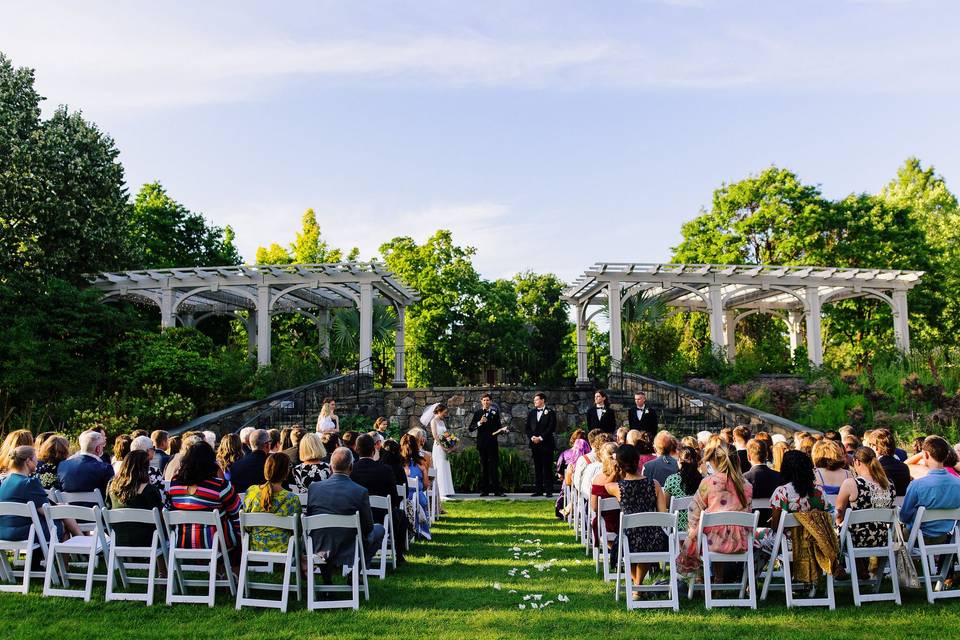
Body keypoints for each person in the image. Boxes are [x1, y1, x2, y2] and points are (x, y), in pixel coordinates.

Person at [306, 447, 384, 580]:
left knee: (326, 533)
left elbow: (310, 517)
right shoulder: (360, 491)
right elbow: (368, 527)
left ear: (330, 468)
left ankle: (327, 580)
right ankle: (356, 572)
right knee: (379, 529)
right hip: (350, 546)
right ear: (351, 468)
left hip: (319, 545)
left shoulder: (314, 488)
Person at [677, 441, 753, 575]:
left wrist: (693, 529)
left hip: (712, 541)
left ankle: (700, 577)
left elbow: (694, 509)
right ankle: (719, 578)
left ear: (715, 461)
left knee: (699, 532)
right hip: (740, 541)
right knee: (713, 529)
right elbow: (748, 513)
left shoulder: (709, 482)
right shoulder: (746, 485)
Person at [167, 441, 242, 566]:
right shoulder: (220, 486)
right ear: (211, 462)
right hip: (215, 542)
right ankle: (233, 572)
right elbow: (238, 513)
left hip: (182, 541)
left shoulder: (175, 484)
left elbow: (170, 509)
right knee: (237, 526)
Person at [605, 444, 668, 588]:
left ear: (620, 465)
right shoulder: (655, 484)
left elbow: (606, 484)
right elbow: (663, 515)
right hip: (654, 539)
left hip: (629, 539)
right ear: (638, 461)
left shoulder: (618, 488)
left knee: (627, 543)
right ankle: (638, 587)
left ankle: (637, 586)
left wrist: (615, 471)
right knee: (646, 541)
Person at [0, 446, 81, 544]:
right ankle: (81, 544)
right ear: (28, 461)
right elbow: (47, 511)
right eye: (35, 459)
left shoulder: (5, 481)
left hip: (4, 532)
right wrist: (64, 510)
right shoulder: (29, 483)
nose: (37, 462)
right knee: (63, 522)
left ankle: (81, 541)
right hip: (27, 533)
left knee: (62, 513)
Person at [351, 434, 406, 561]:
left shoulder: (351, 470)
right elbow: (394, 498)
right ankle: (399, 554)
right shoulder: (385, 470)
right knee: (401, 515)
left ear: (356, 450)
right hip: (382, 517)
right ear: (373, 450)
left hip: (356, 516)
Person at [900, 436, 960, 544]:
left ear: (926, 455)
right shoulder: (958, 483)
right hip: (944, 538)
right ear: (946, 455)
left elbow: (904, 516)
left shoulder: (917, 485)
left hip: (917, 538)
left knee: (896, 534)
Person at [835, 447, 895, 550]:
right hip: (882, 539)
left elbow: (839, 512)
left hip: (855, 539)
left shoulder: (851, 483)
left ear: (857, 462)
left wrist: (838, 526)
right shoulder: (889, 484)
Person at [242, 453, 301, 552]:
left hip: (255, 547)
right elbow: (298, 530)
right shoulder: (292, 499)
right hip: (284, 548)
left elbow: (247, 526)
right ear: (286, 472)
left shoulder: (252, 491)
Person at [107, 450, 165, 547]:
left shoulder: (112, 486)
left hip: (119, 538)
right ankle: (161, 562)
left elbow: (108, 508)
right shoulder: (149, 490)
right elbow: (159, 517)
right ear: (146, 467)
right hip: (149, 541)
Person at [468, 393, 505, 496]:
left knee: (494, 467)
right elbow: (471, 428)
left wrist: (502, 430)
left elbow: (498, 426)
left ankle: (497, 491)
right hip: (482, 444)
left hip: (493, 443)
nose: (486, 402)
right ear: (481, 401)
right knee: (484, 467)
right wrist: (479, 422)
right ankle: (485, 490)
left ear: (491, 401)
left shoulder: (495, 412)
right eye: (484, 400)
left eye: (487, 400)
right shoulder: (477, 413)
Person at [58, 429, 114, 496]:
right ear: (98, 449)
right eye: (102, 445)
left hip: (68, 505)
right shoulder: (105, 468)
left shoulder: (63, 465)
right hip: (96, 506)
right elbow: (110, 495)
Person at [662, 446, 702, 531]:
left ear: (680, 461)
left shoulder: (672, 479)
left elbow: (666, 504)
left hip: (676, 528)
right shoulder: (703, 481)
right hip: (697, 528)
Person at [743, 439, 782, 527]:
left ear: (748, 457)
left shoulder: (744, 479)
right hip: (773, 524)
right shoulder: (779, 477)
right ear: (767, 455)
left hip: (750, 524)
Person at [590, 443, 621, 551]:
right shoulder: (625, 477)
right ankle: (620, 551)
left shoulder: (597, 479)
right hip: (624, 522)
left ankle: (614, 551)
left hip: (606, 524)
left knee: (596, 520)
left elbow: (594, 507)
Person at [401, 434, 432, 539]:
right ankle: (421, 530)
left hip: (402, 498)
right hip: (417, 497)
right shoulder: (421, 462)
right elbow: (426, 485)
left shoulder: (399, 463)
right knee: (422, 500)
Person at [526, 392, 556, 497]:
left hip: (546, 444)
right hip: (535, 444)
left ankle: (549, 490)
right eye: (534, 400)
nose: (535, 402)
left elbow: (551, 427)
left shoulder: (550, 412)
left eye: (537, 400)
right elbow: (527, 428)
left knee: (547, 467)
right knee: (537, 467)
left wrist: (541, 438)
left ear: (543, 400)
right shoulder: (532, 413)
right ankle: (538, 490)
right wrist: (532, 437)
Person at [427, 403, 456, 500]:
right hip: (438, 447)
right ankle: (441, 491)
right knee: (439, 466)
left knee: (445, 465)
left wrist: (452, 442)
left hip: (445, 446)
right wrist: (443, 447)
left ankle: (448, 490)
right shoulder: (433, 421)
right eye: (444, 412)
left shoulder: (442, 422)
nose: (445, 414)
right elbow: (435, 435)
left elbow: (446, 434)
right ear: (439, 411)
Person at [229, 428, 271, 493]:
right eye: (270, 442)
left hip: (241, 501)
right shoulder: (272, 465)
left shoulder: (236, 465)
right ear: (267, 445)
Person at [872, 429, 911, 496]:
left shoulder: (875, 468)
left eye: (870, 445)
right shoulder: (904, 467)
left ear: (876, 448)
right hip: (902, 504)